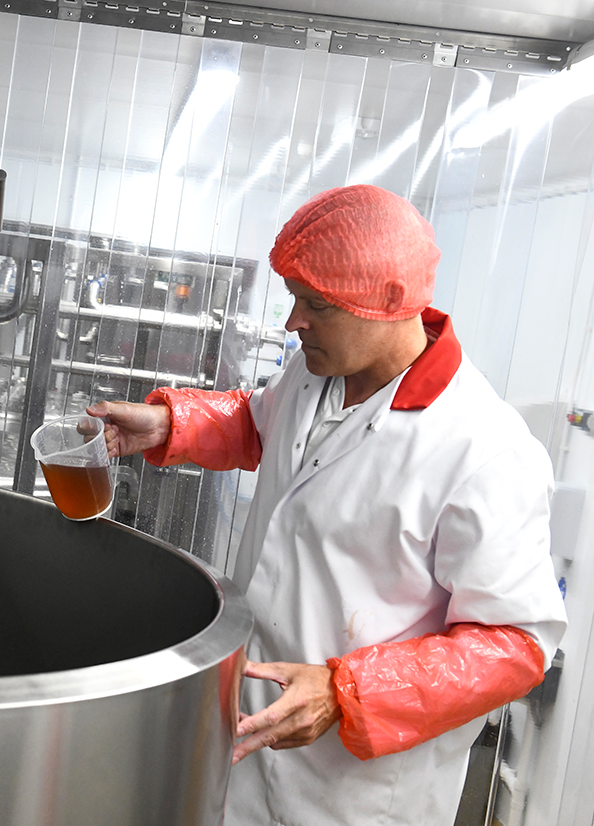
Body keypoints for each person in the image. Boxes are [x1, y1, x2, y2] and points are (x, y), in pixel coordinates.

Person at [87, 185, 567, 825]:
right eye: (294, 298)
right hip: (249, 744)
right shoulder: (316, 373)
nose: (293, 322)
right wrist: (172, 424)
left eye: (316, 305)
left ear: (389, 303)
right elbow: (261, 424)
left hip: (353, 795)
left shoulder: (484, 449)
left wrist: (348, 693)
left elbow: (515, 643)